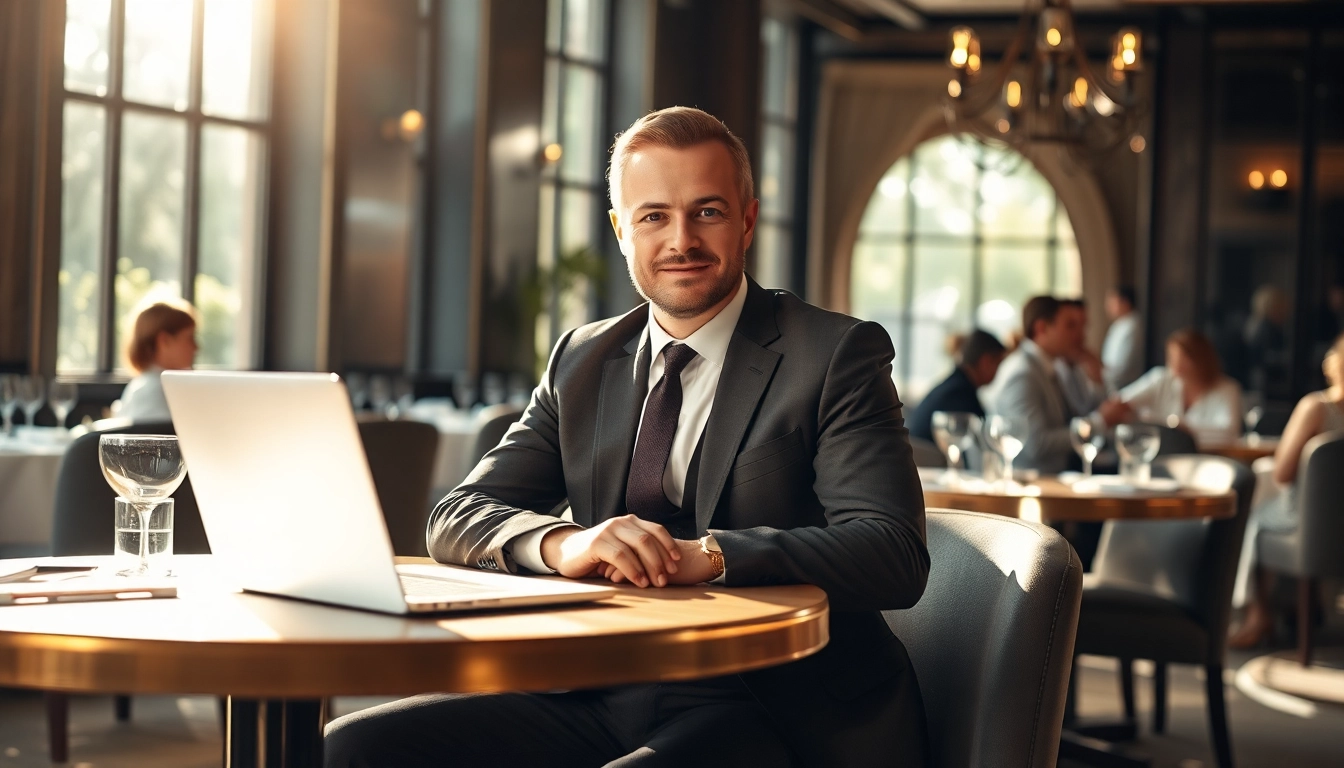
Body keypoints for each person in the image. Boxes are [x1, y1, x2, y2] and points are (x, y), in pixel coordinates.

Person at [324, 107, 931, 767]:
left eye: (707, 212)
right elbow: (456, 518)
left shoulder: (834, 353)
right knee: (350, 750)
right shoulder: (582, 360)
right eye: (653, 217)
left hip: (775, 708)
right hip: (604, 688)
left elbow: (892, 553)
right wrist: (566, 542)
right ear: (621, 230)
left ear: (747, 220)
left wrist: (711, 555)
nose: (681, 241)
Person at [1229, 333, 1344, 648]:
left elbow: (1282, 472)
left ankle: (1258, 612)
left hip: (1311, 520)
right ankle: (1302, 604)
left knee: (1254, 518)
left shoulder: (1316, 408)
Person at [990, 296, 1130, 474]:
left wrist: (1097, 381)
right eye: (1070, 326)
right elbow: (1036, 445)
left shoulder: (1047, 367)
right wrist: (1099, 422)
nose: (1080, 335)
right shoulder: (1023, 374)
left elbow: (1074, 417)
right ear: (1041, 328)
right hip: (1035, 485)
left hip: (1057, 477)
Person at [1117, 328, 1241, 446]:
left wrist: (1185, 430)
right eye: (1173, 356)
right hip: (1162, 456)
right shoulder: (1161, 379)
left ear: (1202, 359)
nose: (1177, 362)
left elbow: (1229, 433)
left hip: (1209, 460)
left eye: (1184, 357)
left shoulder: (1228, 389)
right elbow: (1120, 401)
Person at [909, 329, 1005, 442]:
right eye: (999, 364)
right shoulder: (960, 394)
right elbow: (980, 444)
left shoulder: (954, 385)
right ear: (986, 361)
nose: (999, 371)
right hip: (926, 458)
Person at [112, 300, 198, 422]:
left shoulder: (139, 387)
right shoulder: (160, 392)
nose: (196, 347)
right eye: (190, 338)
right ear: (164, 341)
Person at [1054, 299, 1107, 417]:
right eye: (1071, 326)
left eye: (1084, 326)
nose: (1081, 335)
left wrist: (1097, 378)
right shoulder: (1051, 369)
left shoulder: (1077, 363)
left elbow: (1089, 409)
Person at [1101, 286, 1144, 391]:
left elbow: (1123, 370)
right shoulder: (1118, 324)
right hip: (1111, 383)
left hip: (1125, 388)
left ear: (1125, 302)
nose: (1108, 306)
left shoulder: (1133, 327)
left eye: (1112, 302)